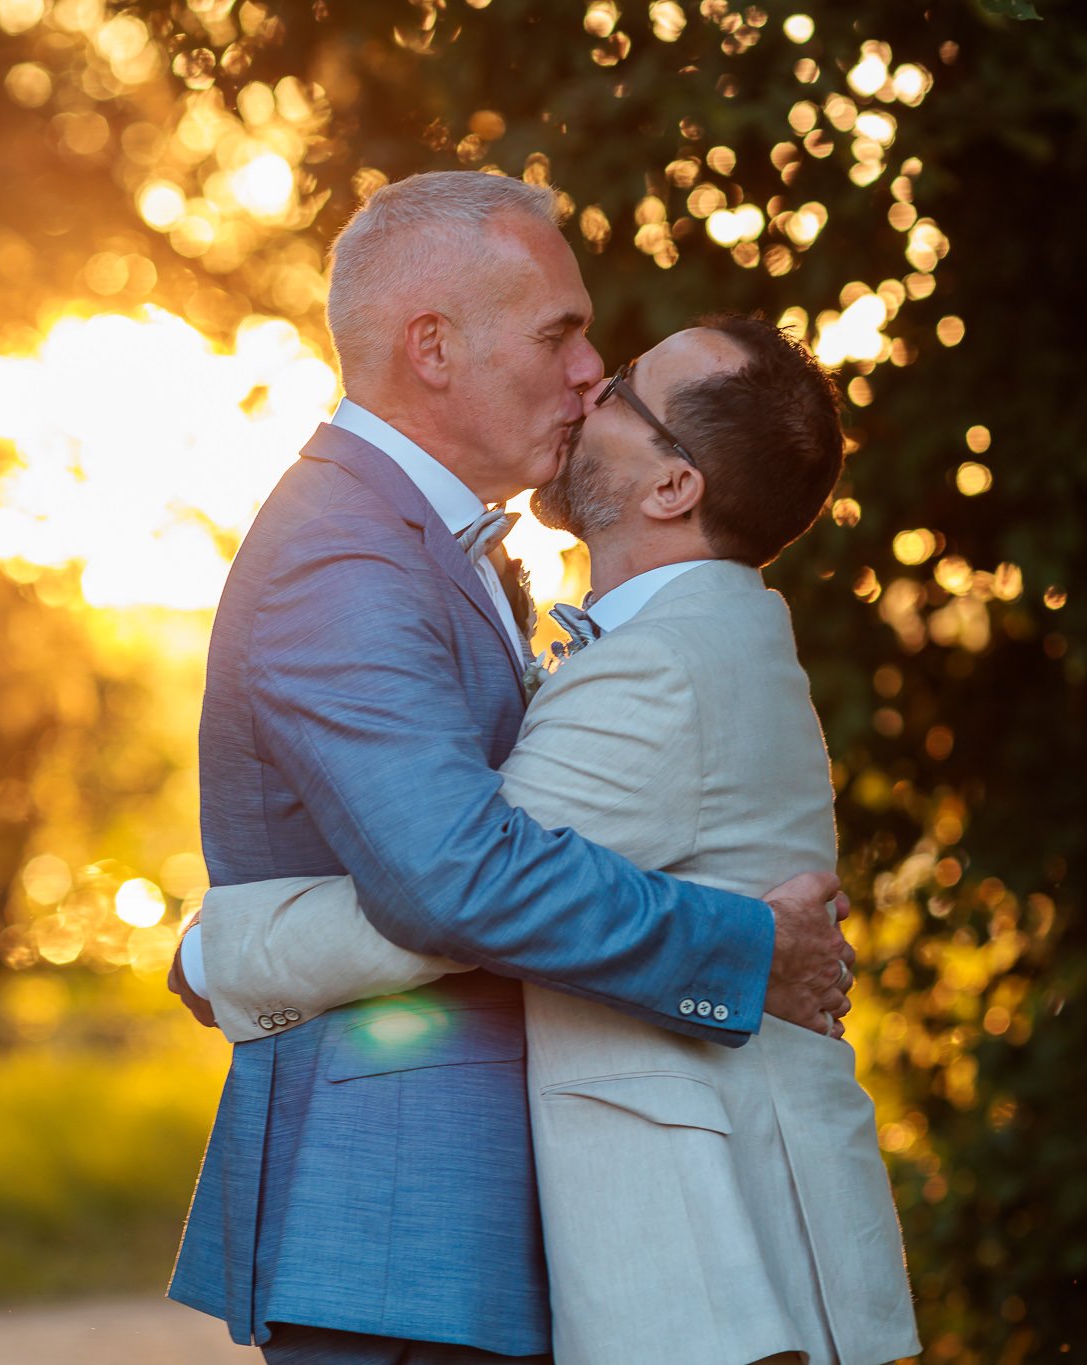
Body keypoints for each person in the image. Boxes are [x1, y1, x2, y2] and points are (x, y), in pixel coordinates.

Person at [164, 170, 855, 1364]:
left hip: (470, 1218)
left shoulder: (438, 544)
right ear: (431, 348)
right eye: (562, 334)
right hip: (394, 1215)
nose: (589, 372)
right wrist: (740, 949)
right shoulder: (340, 553)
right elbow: (451, 875)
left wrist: (220, 952)